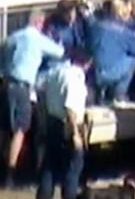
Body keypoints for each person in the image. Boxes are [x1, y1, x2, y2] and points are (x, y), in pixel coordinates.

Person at [2, 10, 65, 188]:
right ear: (40, 23)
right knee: (21, 130)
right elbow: (59, 52)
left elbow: (4, 56)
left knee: (6, 128)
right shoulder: (37, 39)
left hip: (7, 85)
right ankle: (10, 175)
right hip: (23, 88)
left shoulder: (13, 37)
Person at [36, 53, 90, 199]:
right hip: (69, 126)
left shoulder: (55, 73)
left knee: (49, 168)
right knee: (72, 170)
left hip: (52, 122)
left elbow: (41, 92)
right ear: (86, 63)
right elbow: (70, 107)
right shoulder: (76, 78)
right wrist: (76, 135)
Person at [87, 0, 135, 105]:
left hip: (94, 72)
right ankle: (119, 94)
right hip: (112, 73)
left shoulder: (95, 25)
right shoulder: (125, 33)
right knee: (133, 56)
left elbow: (89, 20)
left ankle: (100, 94)